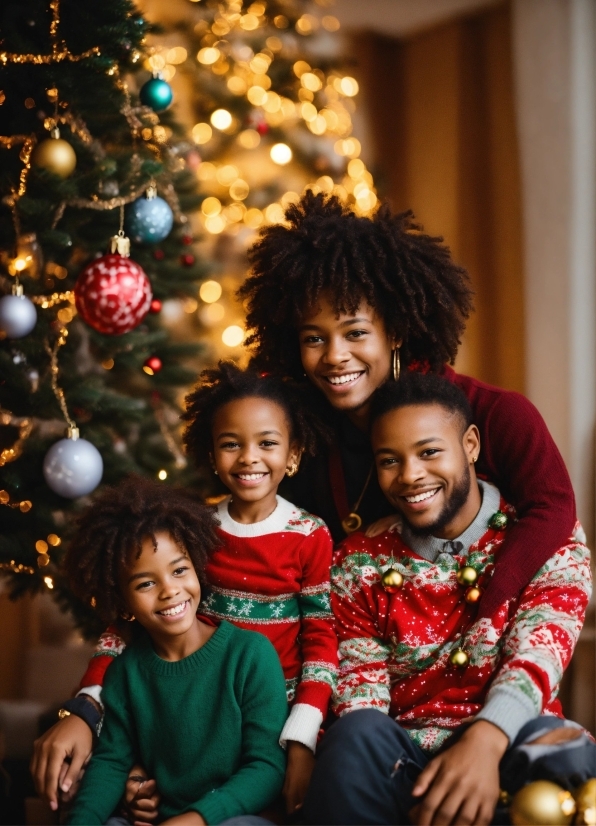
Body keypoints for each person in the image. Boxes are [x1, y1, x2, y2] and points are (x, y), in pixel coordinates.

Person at [238, 190, 576, 624]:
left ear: (395, 332)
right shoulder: (305, 436)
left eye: (355, 333)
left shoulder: (495, 413)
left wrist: (483, 609)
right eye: (314, 338)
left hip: (482, 647)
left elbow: (554, 509)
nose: (334, 356)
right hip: (365, 656)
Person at [33, 364, 337, 820]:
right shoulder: (196, 529)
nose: (249, 457)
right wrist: (86, 705)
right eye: (231, 444)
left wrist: (302, 737)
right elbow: (129, 627)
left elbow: (320, 636)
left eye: (267, 444)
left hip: (275, 723)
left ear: (292, 454)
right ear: (212, 455)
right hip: (200, 712)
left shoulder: (309, 534)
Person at [301, 374, 594, 826]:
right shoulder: (358, 562)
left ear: (471, 444)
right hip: (406, 766)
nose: (410, 475)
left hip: (510, 743)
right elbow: (362, 696)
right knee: (355, 736)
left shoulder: (546, 540)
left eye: (429, 451)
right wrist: (415, 789)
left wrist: (486, 738)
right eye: (388, 460)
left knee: (566, 757)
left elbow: (539, 654)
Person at [62, 477, 288, 826]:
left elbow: (267, 766)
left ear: (196, 568)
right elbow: (111, 763)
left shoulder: (249, 655)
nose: (170, 591)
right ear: (123, 602)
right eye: (146, 583)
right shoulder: (126, 673)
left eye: (179, 570)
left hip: (239, 817)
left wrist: (196, 819)